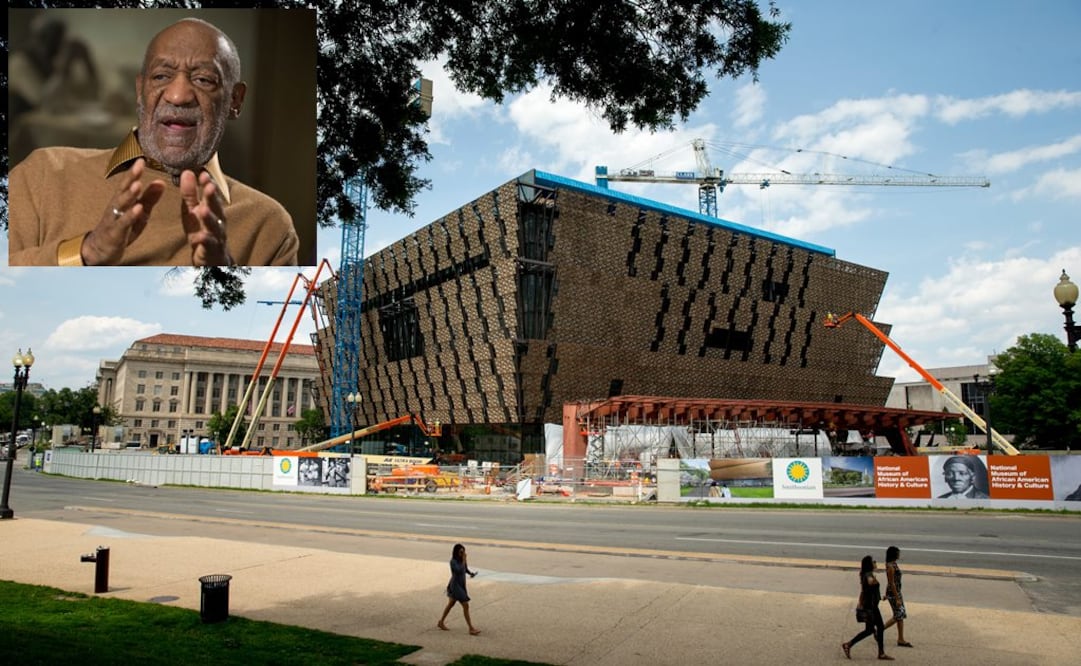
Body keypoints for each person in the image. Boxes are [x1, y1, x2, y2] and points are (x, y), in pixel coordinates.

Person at [8, 17, 299, 267]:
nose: (178, 95)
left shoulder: (269, 226)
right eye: (161, 76)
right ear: (140, 90)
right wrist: (88, 251)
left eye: (204, 80)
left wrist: (223, 272)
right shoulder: (42, 174)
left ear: (235, 101)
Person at [842, 555, 893, 661]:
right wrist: (873, 580)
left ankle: (849, 645)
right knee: (875, 629)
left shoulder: (865, 574)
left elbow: (864, 591)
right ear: (869, 565)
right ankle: (880, 653)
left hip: (871, 606)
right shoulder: (869, 575)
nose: (875, 562)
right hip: (871, 608)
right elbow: (869, 583)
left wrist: (880, 597)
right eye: (873, 561)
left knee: (872, 629)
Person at [437, 543, 480, 635]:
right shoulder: (453, 561)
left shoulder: (462, 560)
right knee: (465, 605)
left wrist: (470, 573)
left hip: (461, 585)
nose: (463, 553)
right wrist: (464, 559)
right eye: (461, 552)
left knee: (450, 604)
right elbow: (459, 570)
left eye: (463, 551)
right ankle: (471, 628)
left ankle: (441, 622)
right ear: (456, 552)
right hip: (455, 586)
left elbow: (465, 569)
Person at [882, 545, 912, 648]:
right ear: (894, 554)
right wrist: (897, 598)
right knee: (898, 615)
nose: (899, 554)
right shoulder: (890, 566)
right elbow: (891, 583)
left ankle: (901, 639)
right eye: (898, 553)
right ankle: (880, 630)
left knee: (900, 616)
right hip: (894, 593)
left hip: (896, 592)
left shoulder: (893, 564)